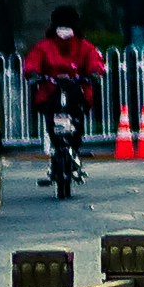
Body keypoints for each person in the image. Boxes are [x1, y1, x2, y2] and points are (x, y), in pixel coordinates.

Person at [21, 13, 107, 197]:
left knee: (77, 124)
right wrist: (33, 73)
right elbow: (32, 62)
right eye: (61, 26)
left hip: (76, 93)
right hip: (51, 93)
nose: (64, 31)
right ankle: (56, 155)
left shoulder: (84, 47)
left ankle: (74, 150)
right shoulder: (44, 47)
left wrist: (93, 74)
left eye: (68, 27)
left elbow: (95, 62)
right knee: (51, 123)